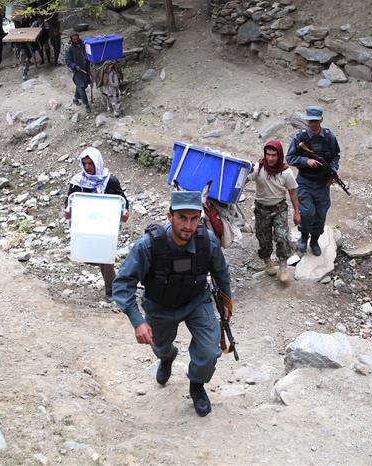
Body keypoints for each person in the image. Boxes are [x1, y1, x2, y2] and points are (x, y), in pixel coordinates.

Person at [112, 191, 232, 417]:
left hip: (196, 301)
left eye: (194, 218)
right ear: (170, 216)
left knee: (209, 350)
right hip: (160, 307)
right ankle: (167, 357)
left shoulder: (206, 242)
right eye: (182, 218)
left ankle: (196, 385)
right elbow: (123, 283)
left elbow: (221, 271)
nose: (188, 225)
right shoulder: (149, 245)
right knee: (160, 347)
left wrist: (227, 300)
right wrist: (137, 321)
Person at [63, 147, 129, 297]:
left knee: (106, 257)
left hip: (104, 226)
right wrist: (68, 211)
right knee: (92, 256)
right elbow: (69, 201)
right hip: (85, 226)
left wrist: (124, 213)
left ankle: (112, 291)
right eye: (84, 163)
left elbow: (123, 201)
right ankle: (118, 285)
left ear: (97, 163)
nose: (87, 167)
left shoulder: (110, 181)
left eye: (90, 163)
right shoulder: (77, 182)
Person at [285, 106, 341, 256]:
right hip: (305, 181)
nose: (313, 124)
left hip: (323, 184)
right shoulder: (300, 137)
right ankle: (304, 237)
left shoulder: (329, 137)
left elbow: (336, 156)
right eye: (310, 121)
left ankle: (315, 240)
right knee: (307, 212)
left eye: (316, 121)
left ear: (321, 120)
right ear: (307, 121)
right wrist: (305, 161)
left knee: (321, 214)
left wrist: (333, 171)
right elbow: (289, 158)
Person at [246, 139, 301, 281]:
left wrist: (297, 212)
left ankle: (283, 266)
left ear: (279, 155)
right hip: (261, 209)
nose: (270, 158)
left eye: (274, 155)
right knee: (263, 238)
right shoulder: (258, 168)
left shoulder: (286, 172)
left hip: (279, 208)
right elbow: (245, 179)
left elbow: (293, 192)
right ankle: (268, 263)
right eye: (268, 154)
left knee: (282, 237)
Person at [64, 30, 91, 112]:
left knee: (83, 85)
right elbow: (68, 61)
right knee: (81, 87)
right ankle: (86, 105)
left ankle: (75, 99)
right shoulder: (70, 48)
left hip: (86, 68)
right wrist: (75, 66)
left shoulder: (83, 44)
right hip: (78, 70)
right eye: (74, 39)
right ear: (71, 39)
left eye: (77, 38)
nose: (76, 40)